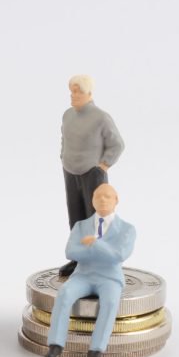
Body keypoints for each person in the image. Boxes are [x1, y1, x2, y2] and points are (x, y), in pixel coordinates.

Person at [45, 184, 136, 357]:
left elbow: (119, 256)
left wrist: (95, 244)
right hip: (83, 275)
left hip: (110, 278)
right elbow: (71, 252)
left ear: (116, 200)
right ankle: (56, 344)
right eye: (98, 196)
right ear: (92, 200)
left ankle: (96, 350)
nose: (102, 200)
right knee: (64, 294)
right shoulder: (81, 226)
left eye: (107, 196)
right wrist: (102, 252)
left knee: (110, 302)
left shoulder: (127, 229)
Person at [59, 75, 124, 277]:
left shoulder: (101, 118)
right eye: (71, 91)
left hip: (92, 173)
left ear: (88, 93)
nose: (73, 95)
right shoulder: (68, 115)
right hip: (70, 171)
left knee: (95, 217)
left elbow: (117, 144)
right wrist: (63, 156)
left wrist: (103, 165)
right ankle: (79, 258)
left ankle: (99, 261)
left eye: (77, 91)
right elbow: (64, 138)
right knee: (75, 216)